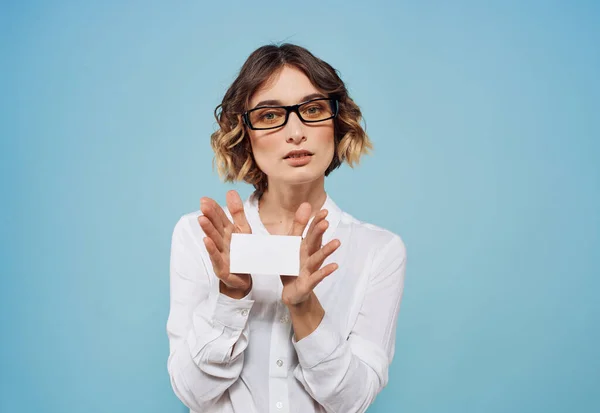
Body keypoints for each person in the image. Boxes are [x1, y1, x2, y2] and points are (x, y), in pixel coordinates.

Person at [166, 43, 407, 413]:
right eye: (269, 115)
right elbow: (192, 393)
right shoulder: (201, 238)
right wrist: (232, 295)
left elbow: (353, 401)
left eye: (312, 109)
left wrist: (303, 305)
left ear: (337, 121)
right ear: (243, 132)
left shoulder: (378, 250)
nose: (296, 132)